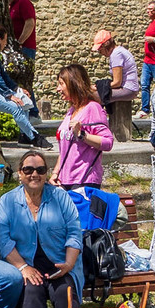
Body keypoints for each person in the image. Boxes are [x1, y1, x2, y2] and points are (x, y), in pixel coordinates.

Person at [0, 151, 83, 308]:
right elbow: (1, 238)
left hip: (60, 266)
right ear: (20, 173)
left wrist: (69, 264)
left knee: (66, 297)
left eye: (40, 170)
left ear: (46, 173)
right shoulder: (8, 201)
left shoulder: (60, 197)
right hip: (28, 267)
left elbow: (74, 232)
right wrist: (23, 267)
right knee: (31, 296)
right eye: (28, 169)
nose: (34, 174)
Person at [54, 61, 113, 221]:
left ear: (73, 83)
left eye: (61, 84)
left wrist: (83, 135)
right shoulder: (71, 111)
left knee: (81, 232)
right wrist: (55, 172)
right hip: (65, 182)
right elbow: (65, 148)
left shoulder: (92, 109)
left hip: (84, 182)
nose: (58, 89)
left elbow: (108, 142)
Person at [90, 28, 135, 110]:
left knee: (91, 96)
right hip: (130, 88)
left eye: (100, 49)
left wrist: (97, 87)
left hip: (128, 89)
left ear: (106, 44)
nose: (100, 52)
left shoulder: (116, 55)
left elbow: (117, 82)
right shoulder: (119, 51)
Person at [7, 0, 38, 88]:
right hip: (18, 48)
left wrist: (20, 42)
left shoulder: (23, 2)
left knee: (24, 83)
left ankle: (31, 104)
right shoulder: (12, 6)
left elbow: (30, 23)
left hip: (25, 48)